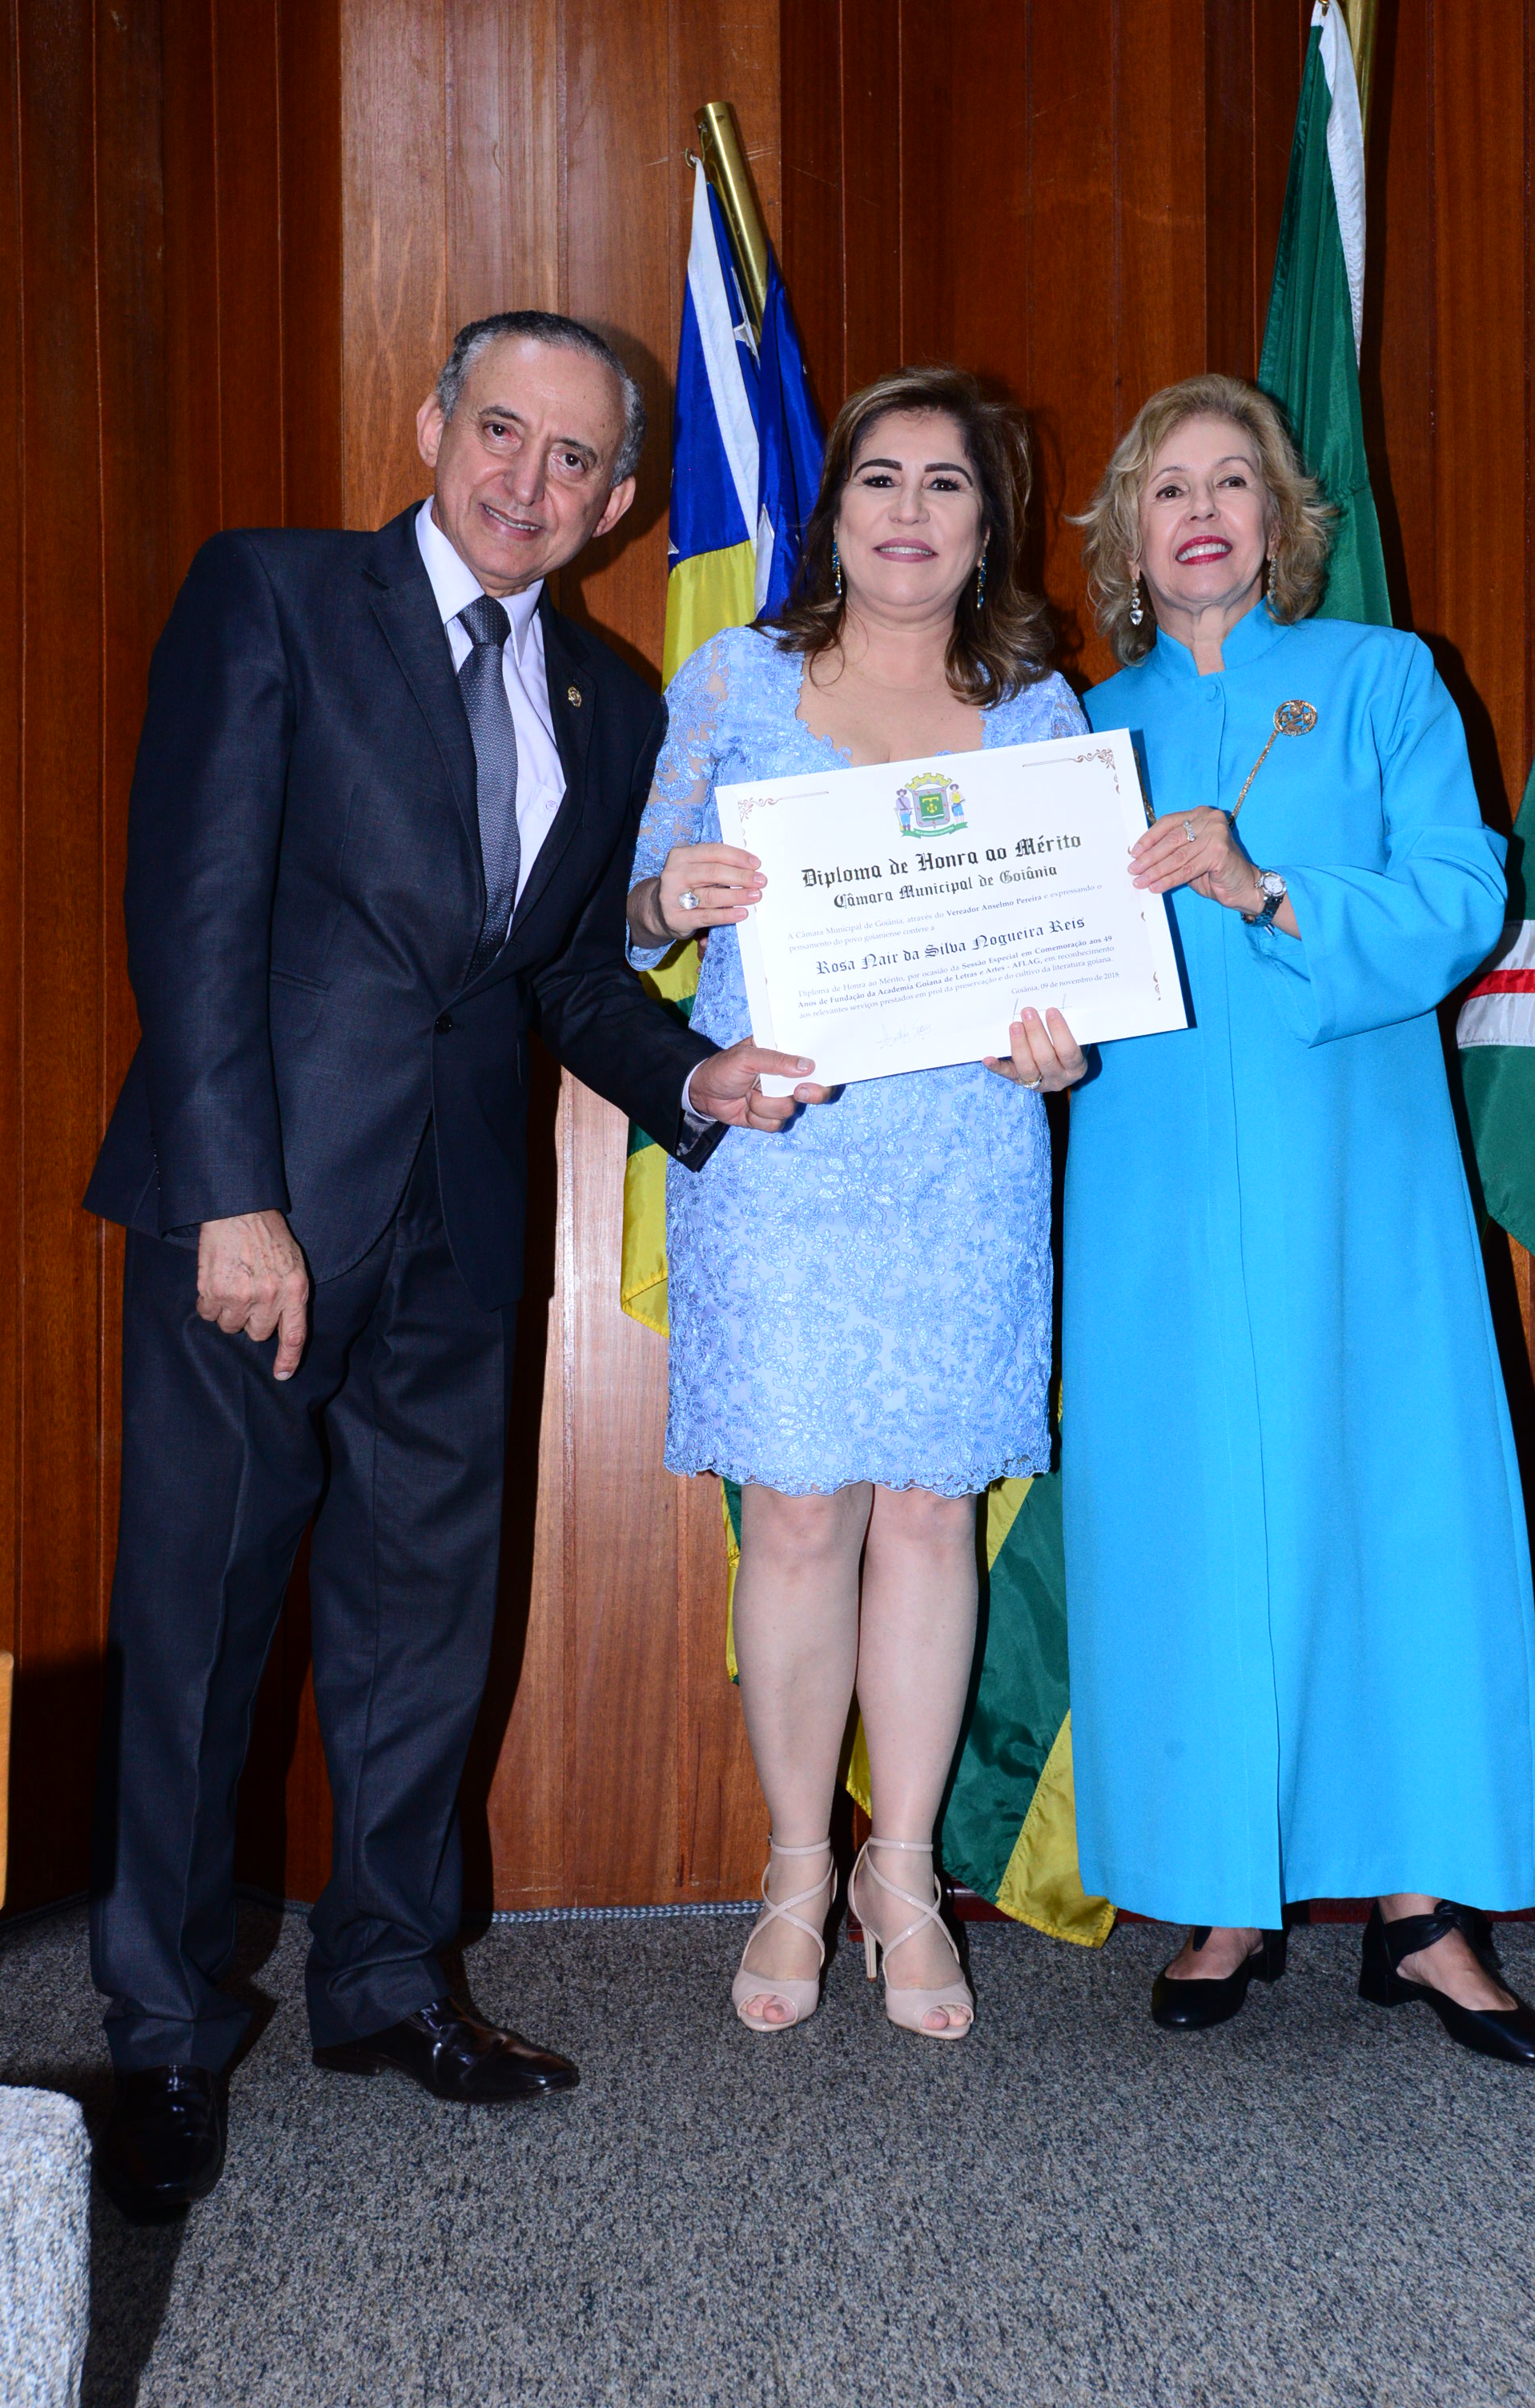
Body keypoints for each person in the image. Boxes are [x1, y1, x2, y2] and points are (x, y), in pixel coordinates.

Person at [84, 309, 827, 2221]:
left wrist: (694, 1080)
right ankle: (158, 2026)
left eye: (574, 460)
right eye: (502, 431)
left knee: (423, 1625)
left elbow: (565, 974)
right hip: (257, 1209)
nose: (528, 480)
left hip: (460, 1227)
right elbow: (192, 901)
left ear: (619, 502)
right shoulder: (272, 596)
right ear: (432, 423)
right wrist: (233, 1193)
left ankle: (385, 1982)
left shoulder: (606, 696)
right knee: (200, 1626)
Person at [1063, 371, 1535, 2064]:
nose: (1199, 511)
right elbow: (1030, 954)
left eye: (1232, 481)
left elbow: (1461, 893)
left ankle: (1424, 1912)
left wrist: (1264, 885)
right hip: (1150, 1175)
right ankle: (1223, 1888)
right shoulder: (1073, 728)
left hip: (1357, 1162)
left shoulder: (1381, 678)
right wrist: (1023, 1037)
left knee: (1396, 1505)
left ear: (1279, 521)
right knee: (1187, 1511)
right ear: (1127, 537)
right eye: (1165, 488)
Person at [626, 366, 1087, 2043]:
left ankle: (905, 1878)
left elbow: (1076, 956)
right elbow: (623, 914)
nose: (908, 509)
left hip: (965, 1156)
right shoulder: (734, 677)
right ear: (831, 515)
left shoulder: (1039, 710)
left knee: (929, 1515)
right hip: (786, 1152)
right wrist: (671, 897)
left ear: (986, 527)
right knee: (803, 1514)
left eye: (944, 484)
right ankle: (795, 1868)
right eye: (878, 478)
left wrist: (1062, 1047)